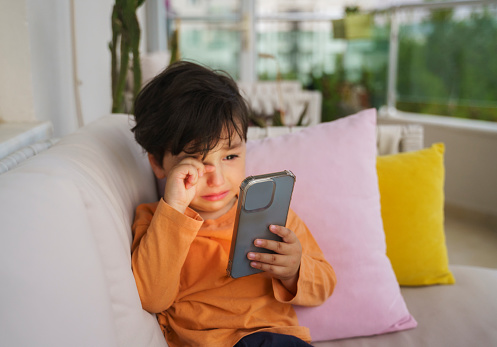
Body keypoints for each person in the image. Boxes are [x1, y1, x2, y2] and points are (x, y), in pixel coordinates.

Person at [130, 61, 336, 347]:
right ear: (157, 162)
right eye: (195, 162)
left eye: (230, 157)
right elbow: (152, 298)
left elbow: (325, 284)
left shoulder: (272, 215)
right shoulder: (157, 220)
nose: (217, 180)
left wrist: (294, 270)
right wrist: (175, 208)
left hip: (273, 338)